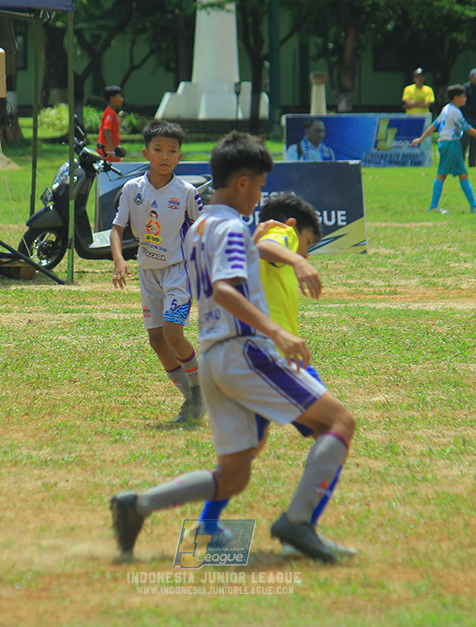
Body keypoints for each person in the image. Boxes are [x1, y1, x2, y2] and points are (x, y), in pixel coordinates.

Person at [109, 132, 356, 564]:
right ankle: (298, 523)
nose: (259, 196)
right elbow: (224, 289)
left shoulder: (200, 228)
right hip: (245, 352)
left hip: (213, 359)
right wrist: (278, 332)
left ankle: (138, 505)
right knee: (339, 422)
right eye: (258, 186)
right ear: (242, 183)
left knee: (234, 475)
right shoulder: (230, 228)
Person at [194, 193, 354, 558]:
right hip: (276, 361)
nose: (307, 252)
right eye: (309, 243)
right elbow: (267, 246)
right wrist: (297, 257)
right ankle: (300, 526)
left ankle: (207, 530)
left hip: (253, 359)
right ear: (295, 227)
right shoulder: (283, 233)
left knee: (248, 450)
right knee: (337, 426)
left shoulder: (257, 242)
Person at [110, 120, 205, 423]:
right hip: (148, 272)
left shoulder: (187, 192)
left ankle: (201, 390)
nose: (165, 155)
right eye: (158, 149)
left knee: (173, 334)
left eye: (172, 150)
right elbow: (117, 229)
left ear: (180, 156)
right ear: (146, 153)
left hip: (179, 271)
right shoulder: (132, 189)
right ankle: (190, 398)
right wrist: (119, 260)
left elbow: (204, 230)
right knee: (156, 341)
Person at [411, 85, 476, 214]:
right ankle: (434, 207)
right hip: (450, 144)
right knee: (442, 174)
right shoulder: (454, 112)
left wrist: (421, 138)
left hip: (451, 144)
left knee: (463, 174)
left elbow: (435, 125)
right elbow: (468, 129)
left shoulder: (446, 109)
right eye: (463, 96)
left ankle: (474, 206)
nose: (465, 99)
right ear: (456, 97)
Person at [460, 68, 476, 167]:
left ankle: (472, 162)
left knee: (475, 141)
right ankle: (461, 162)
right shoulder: (465, 88)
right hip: (467, 118)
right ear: (471, 77)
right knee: (464, 142)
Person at [96, 85, 125, 162]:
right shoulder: (110, 113)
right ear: (112, 98)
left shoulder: (111, 112)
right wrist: (113, 152)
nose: (122, 99)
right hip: (107, 153)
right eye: (120, 96)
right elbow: (106, 131)